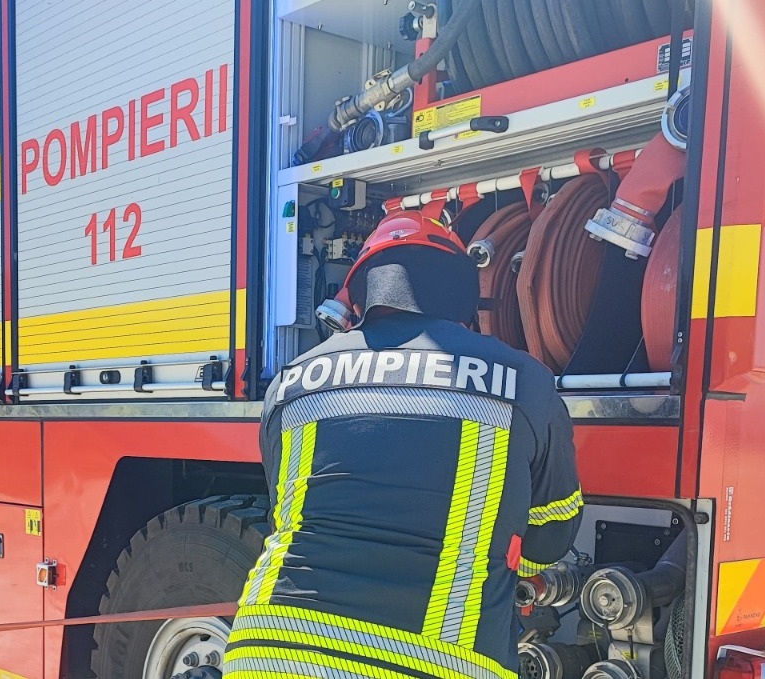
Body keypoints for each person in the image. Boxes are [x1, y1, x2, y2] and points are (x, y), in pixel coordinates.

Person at [223, 209, 583, 679]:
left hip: (270, 651)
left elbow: (288, 516)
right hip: (439, 660)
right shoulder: (525, 381)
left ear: (361, 294)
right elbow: (550, 536)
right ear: (463, 295)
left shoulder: (291, 382)